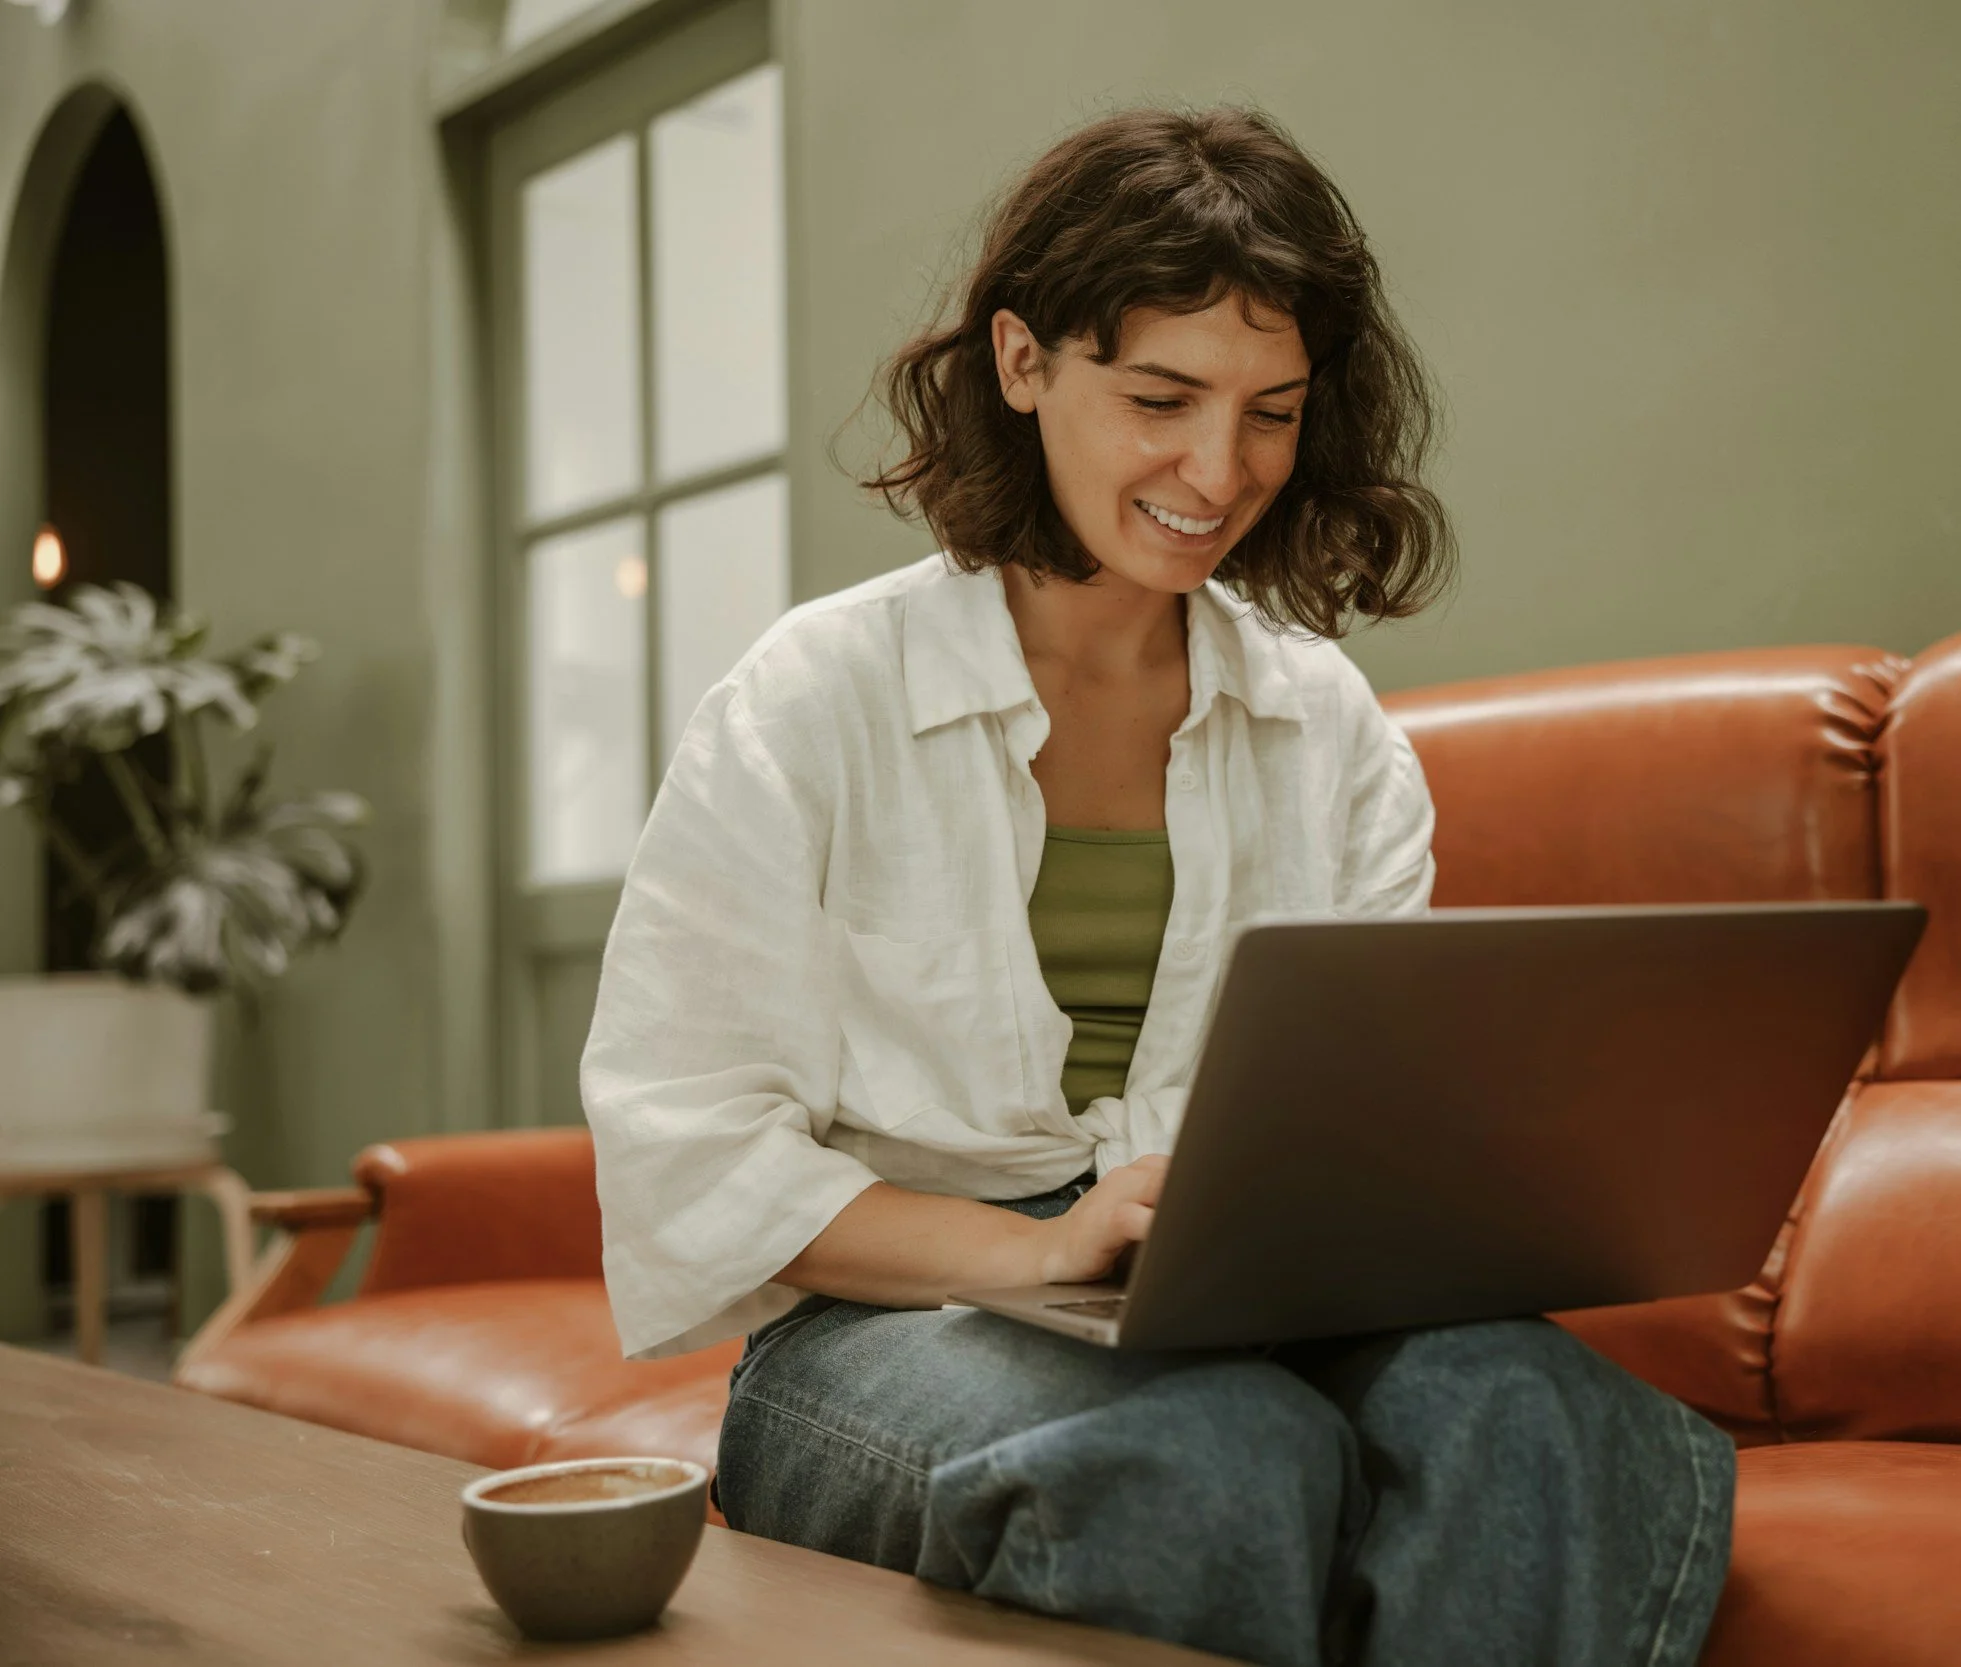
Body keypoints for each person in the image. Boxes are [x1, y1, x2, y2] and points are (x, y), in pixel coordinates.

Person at [582, 105, 1734, 1667]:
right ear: (1021, 363)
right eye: (1161, 397)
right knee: (1206, 1447)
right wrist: (1038, 1245)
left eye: (1272, 410)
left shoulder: (1325, 725)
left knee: (1529, 1408)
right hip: (883, 1342)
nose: (1221, 468)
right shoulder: (812, 701)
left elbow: (1362, 1120)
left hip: (1234, 1303)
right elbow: (692, 1156)